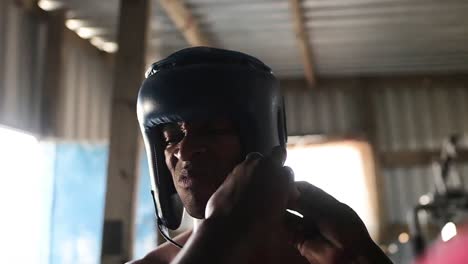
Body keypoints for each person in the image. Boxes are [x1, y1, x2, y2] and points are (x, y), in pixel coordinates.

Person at [131, 47, 393, 264]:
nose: (185, 151)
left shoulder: (331, 256)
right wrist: (222, 230)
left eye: (212, 130)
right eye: (171, 137)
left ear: (261, 141)